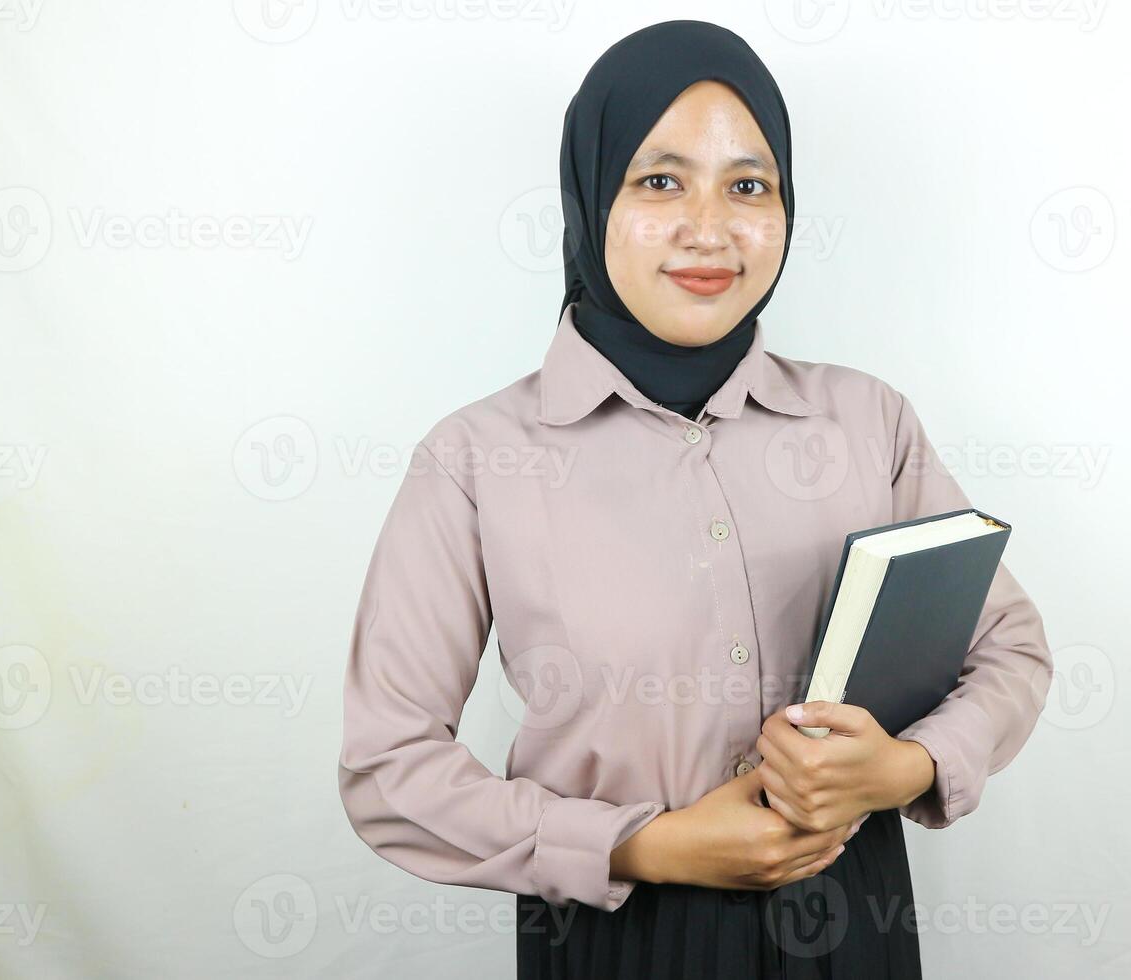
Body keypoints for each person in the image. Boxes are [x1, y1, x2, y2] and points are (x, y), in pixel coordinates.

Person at [337, 19, 1054, 979]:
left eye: (747, 185)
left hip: (855, 927)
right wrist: (645, 844)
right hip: (617, 938)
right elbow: (388, 770)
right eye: (659, 180)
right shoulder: (475, 460)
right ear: (591, 196)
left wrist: (905, 767)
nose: (709, 229)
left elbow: (1007, 645)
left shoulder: (865, 422)